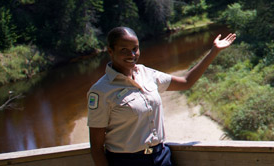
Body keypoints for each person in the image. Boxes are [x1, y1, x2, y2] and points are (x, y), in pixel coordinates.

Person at [86, 27, 236, 166]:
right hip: (127, 161)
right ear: (110, 51)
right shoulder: (101, 91)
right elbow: (97, 147)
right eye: (124, 50)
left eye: (135, 49)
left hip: (161, 156)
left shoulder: (147, 74)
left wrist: (214, 51)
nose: (132, 55)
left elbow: (186, 82)